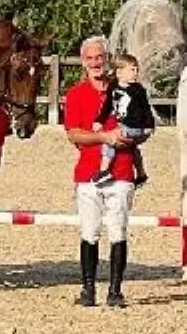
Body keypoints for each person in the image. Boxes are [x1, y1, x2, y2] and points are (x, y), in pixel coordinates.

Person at [64, 36, 135, 308]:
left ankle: (115, 290)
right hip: (88, 173)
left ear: (107, 59)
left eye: (100, 58)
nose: (95, 63)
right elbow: (74, 134)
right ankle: (88, 288)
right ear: (83, 62)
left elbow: (141, 125)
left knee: (118, 231)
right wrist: (106, 137)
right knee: (89, 231)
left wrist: (130, 136)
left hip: (121, 170)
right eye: (90, 58)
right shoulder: (75, 95)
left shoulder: (126, 91)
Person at [91, 52, 154, 188]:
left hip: (135, 126)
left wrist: (149, 125)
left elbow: (146, 109)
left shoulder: (138, 90)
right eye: (132, 70)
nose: (136, 73)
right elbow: (107, 106)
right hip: (125, 124)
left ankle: (104, 171)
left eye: (137, 70)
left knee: (110, 139)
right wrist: (99, 121)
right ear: (119, 72)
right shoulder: (113, 87)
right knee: (133, 149)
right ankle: (141, 174)